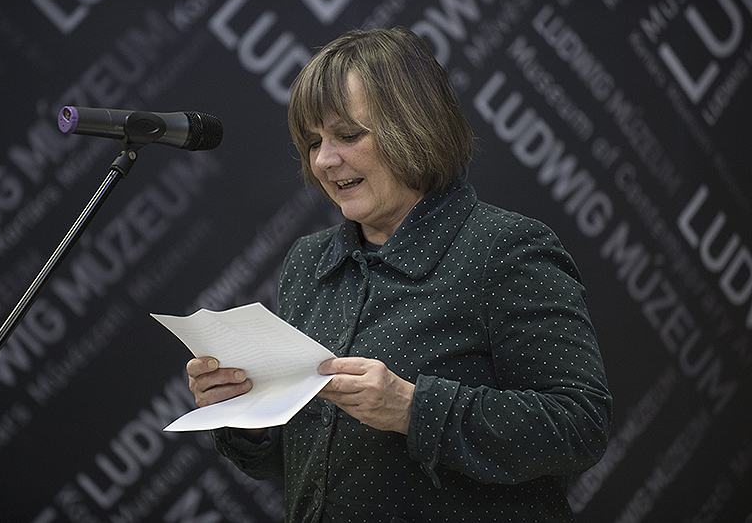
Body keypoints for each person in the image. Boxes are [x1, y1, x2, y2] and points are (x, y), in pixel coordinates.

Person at [187, 26, 611, 522]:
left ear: (416, 126)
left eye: (348, 136)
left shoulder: (504, 248)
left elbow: (580, 425)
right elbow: (307, 463)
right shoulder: (308, 261)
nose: (324, 160)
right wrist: (246, 415)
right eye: (312, 142)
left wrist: (412, 409)